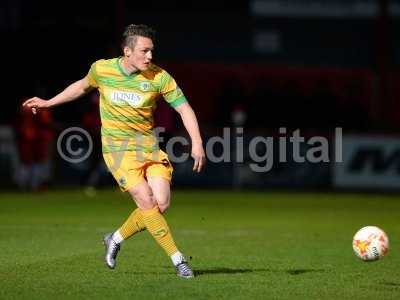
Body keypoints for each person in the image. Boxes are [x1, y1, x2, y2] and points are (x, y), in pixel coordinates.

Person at [23, 24, 206, 279]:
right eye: (144, 51)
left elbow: (185, 109)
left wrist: (196, 143)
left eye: (152, 51)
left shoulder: (160, 77)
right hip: (118, 152)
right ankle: (179, 261)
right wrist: (48, 103)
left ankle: (115, 237)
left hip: (148, 148)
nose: (150, 56)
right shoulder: (102, 69)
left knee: (161, 203)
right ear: (127, 51)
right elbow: (81, 87)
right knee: (145, 200)